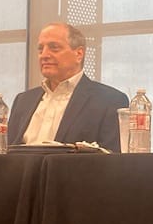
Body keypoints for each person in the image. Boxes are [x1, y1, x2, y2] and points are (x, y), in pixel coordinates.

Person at [7, 22, 129, 152]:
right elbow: (4, 153)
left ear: (79, 54)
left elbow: (110, 159)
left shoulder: (109, 101)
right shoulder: (23, 101)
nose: (44, 55)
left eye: (54, 48)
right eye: (40, 49)